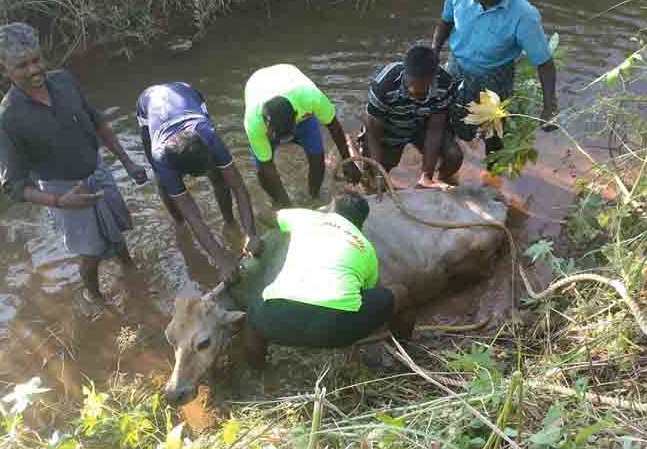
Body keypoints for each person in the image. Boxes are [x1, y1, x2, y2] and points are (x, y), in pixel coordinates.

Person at [0, 22, 148, 302]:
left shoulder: (63, 80)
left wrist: (127, 162)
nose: (34, 70)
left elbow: (97, 120)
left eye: (37, 60)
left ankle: (130, 271)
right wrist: (61, 202)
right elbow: (13, 186)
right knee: (91, 252)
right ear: (3, 69)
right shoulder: (8, 120)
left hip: (97, 172)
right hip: (63, 191)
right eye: (22, 65)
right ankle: (93, 295)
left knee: (117, 229)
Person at [243, 192, 415, 364]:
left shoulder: (306, 218)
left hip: (277, 319)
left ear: (330, 210)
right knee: (402, 294)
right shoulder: (365, 246)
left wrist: (251, 236)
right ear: (361, 224)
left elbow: (262, 214)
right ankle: (402, 356)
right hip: (336, 330)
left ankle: (256, 368)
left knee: (253, 314)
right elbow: (368, 291)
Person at [431, 0, 558, 165]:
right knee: (444, 125)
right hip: (456, 69)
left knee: (493, 136)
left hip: (494, 80)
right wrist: (434, 52)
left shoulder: (524, 16)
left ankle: (492, 179)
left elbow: (544, 63)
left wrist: (549, 107)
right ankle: (448, 170)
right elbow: (445, 23)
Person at [136, 82, 262, 280]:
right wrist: (221, 259)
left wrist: (250, 233)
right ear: (183, 172)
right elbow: (193, 216)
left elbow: (237, 186)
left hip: (187, 92)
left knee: (220, 176)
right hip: (148, 103)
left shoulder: (209, 136)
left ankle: (229, 221)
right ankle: (178, 224)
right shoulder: (162, 158)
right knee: (163, 183)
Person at [244, 64, 361, 209]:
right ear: (268, 127)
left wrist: (347, 161)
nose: (285, 142)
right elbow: (267, 167)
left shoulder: (311, 98)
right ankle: (278, 201)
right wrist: (288, 206)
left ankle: (314, 197)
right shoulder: (254, 123)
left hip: (292, 86)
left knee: (317, 157)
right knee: (263, 172)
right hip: (257, 83)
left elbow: (334, 127)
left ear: (296, 116)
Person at [359, 45, 462, 189]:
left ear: (433, 78)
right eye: (410, 86)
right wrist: (378, 174)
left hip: (422, 126)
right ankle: (374, 177)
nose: (413, 94)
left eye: (420, 92)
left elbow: (435, 131)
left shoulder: (444, 83)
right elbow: (373, 131)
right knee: (374, 182)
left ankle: (440, 179)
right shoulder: (384, 84)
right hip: (390, 127)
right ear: (405, 73)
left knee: (453, 157)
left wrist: (427, 177)